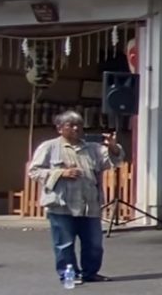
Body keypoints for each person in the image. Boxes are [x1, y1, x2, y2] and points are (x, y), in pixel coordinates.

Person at [27, 112, 124, 285]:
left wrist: (113, 147)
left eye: (79, 124)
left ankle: (91, 272)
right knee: (64, 243)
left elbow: (114, 161)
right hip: (61, 204)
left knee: (94, 244)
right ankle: (68, 274)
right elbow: (34, 171)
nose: (76, 128)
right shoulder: (49, 147)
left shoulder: (93, 148)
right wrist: (61, 173)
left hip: (89, 204)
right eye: (70, 125)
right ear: (59, 128)